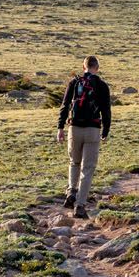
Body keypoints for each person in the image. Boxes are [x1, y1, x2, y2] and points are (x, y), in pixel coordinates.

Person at [57, 55, 112, 219]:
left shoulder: (74, 83)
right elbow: (106, 110)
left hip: (74, 128)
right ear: (97, 68)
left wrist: (60, 127)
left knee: (74, 162)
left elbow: (65, 105)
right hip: (92, 129)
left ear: (84, 67)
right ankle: (80, 205)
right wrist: (105, 130)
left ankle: (71, 192)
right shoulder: (102, 85)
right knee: (87, 168)